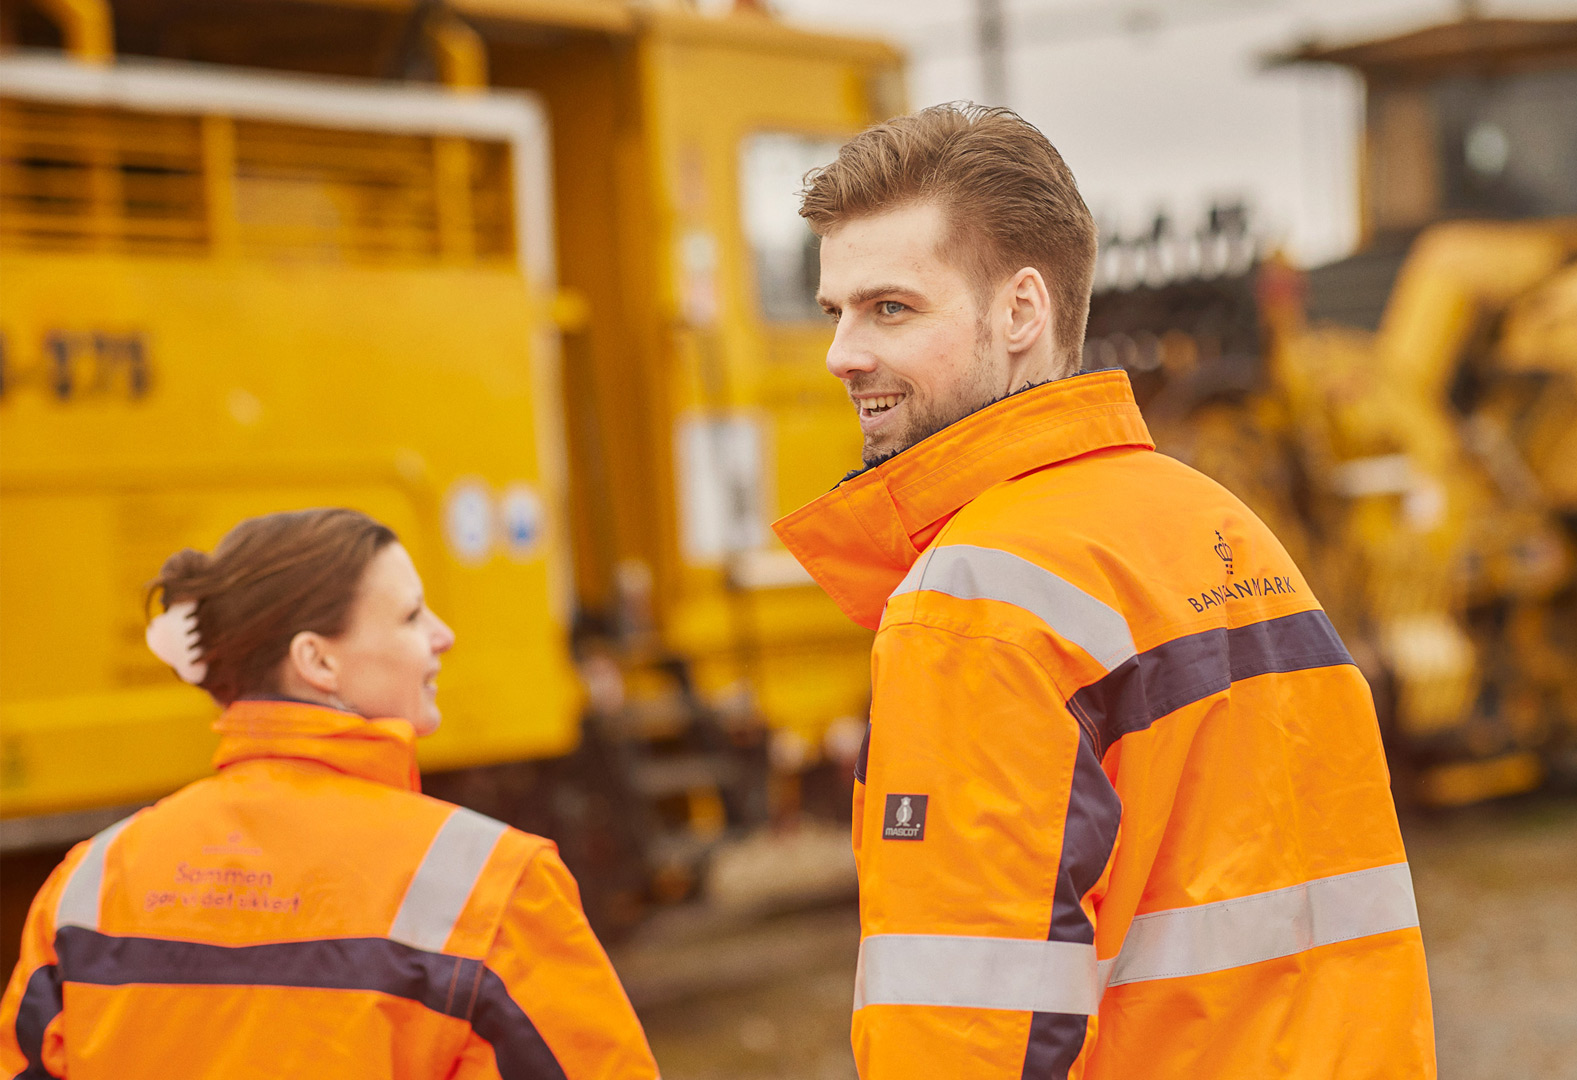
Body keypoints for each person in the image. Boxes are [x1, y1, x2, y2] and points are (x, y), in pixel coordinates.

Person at [773, 104, 1437, 1078]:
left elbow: (963, 1033)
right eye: (837, 313)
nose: (842, 355)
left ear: (1022, 313)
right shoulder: (1222, 531)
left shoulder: (972, 605)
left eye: (891, 309)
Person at [0, 508, 659, 1079]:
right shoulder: (496, 884)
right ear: (317, 661)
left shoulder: (88, 883)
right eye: (409, 615)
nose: (443, 635)